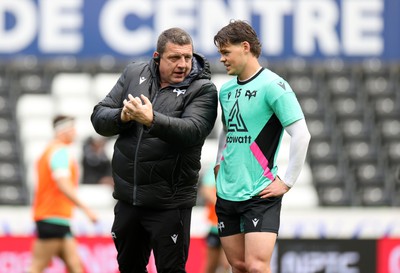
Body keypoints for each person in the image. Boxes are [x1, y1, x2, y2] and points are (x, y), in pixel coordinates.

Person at [90, 27, 218, 273]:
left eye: (187, 57)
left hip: (169, 204)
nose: (183, 64)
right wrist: (122, 115)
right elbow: (99, 117)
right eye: (174, 58)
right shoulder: (133, 73)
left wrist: (152, 120)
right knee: (129, 268)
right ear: (157, 56)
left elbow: (193, 131)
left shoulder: (203, 89)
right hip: (129, 199)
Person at [213, 20, 311, 273]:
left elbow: (301, 134)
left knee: (257, 266)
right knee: (239, 265)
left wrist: (287, 181)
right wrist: (217, 161)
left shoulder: (273, 86)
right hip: (227, 191)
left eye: (226, 52)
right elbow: (227, 129)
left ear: (245, 47)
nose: (222, 59)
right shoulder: (225, 90)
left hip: (259, 192)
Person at [29, 115, 98, 273]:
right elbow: (63, 184)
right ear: (63, 131)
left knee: (75, 266)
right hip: (52, 216)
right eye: (72, 129)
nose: (75, 133)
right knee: (37, 267)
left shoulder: (49, 151)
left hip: (57, 218)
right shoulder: (60, 152)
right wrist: (86, 209)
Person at [200, 166, 231, 273]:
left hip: (232, 227)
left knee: (227, 264)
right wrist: (225, 205)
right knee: (210, 266)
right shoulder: (216, 165)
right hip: (215, 226)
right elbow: (206, 189)